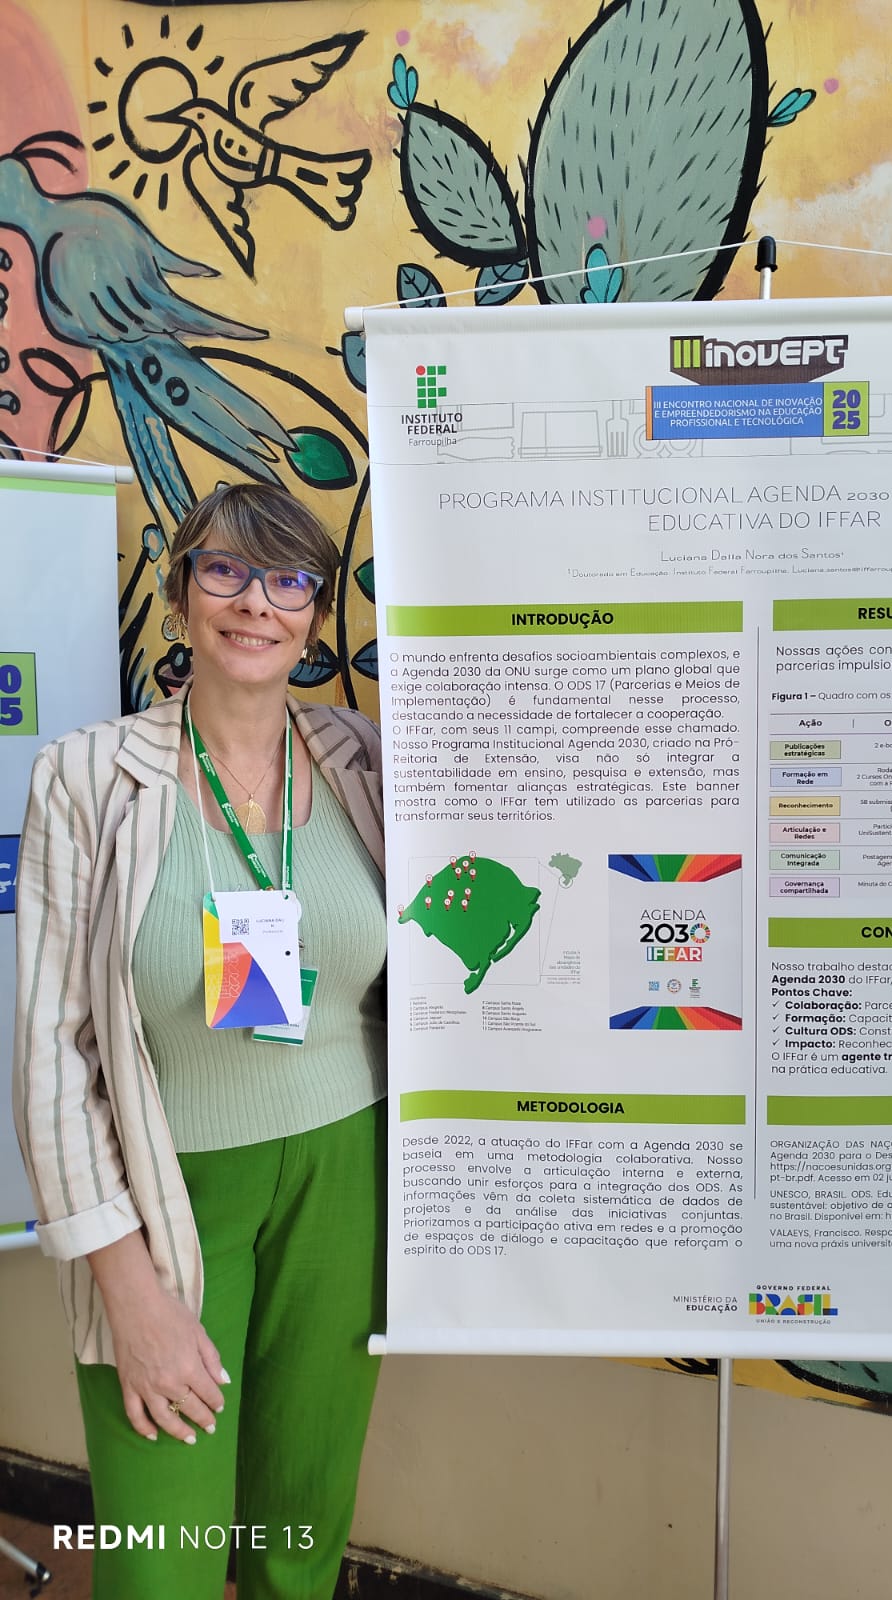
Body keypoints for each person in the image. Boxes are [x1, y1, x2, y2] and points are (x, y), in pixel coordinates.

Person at [12, 482, 388, 1600]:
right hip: (166, 1192)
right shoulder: (89, 777)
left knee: (297, 1540)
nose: (255, 603)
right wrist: (126, 1288)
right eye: (224, 570)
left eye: (288, 580)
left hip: (346, 1179)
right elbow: (50, 1054)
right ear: (180, 597)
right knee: (159, 1561)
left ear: (316, 614)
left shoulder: (363, 761)